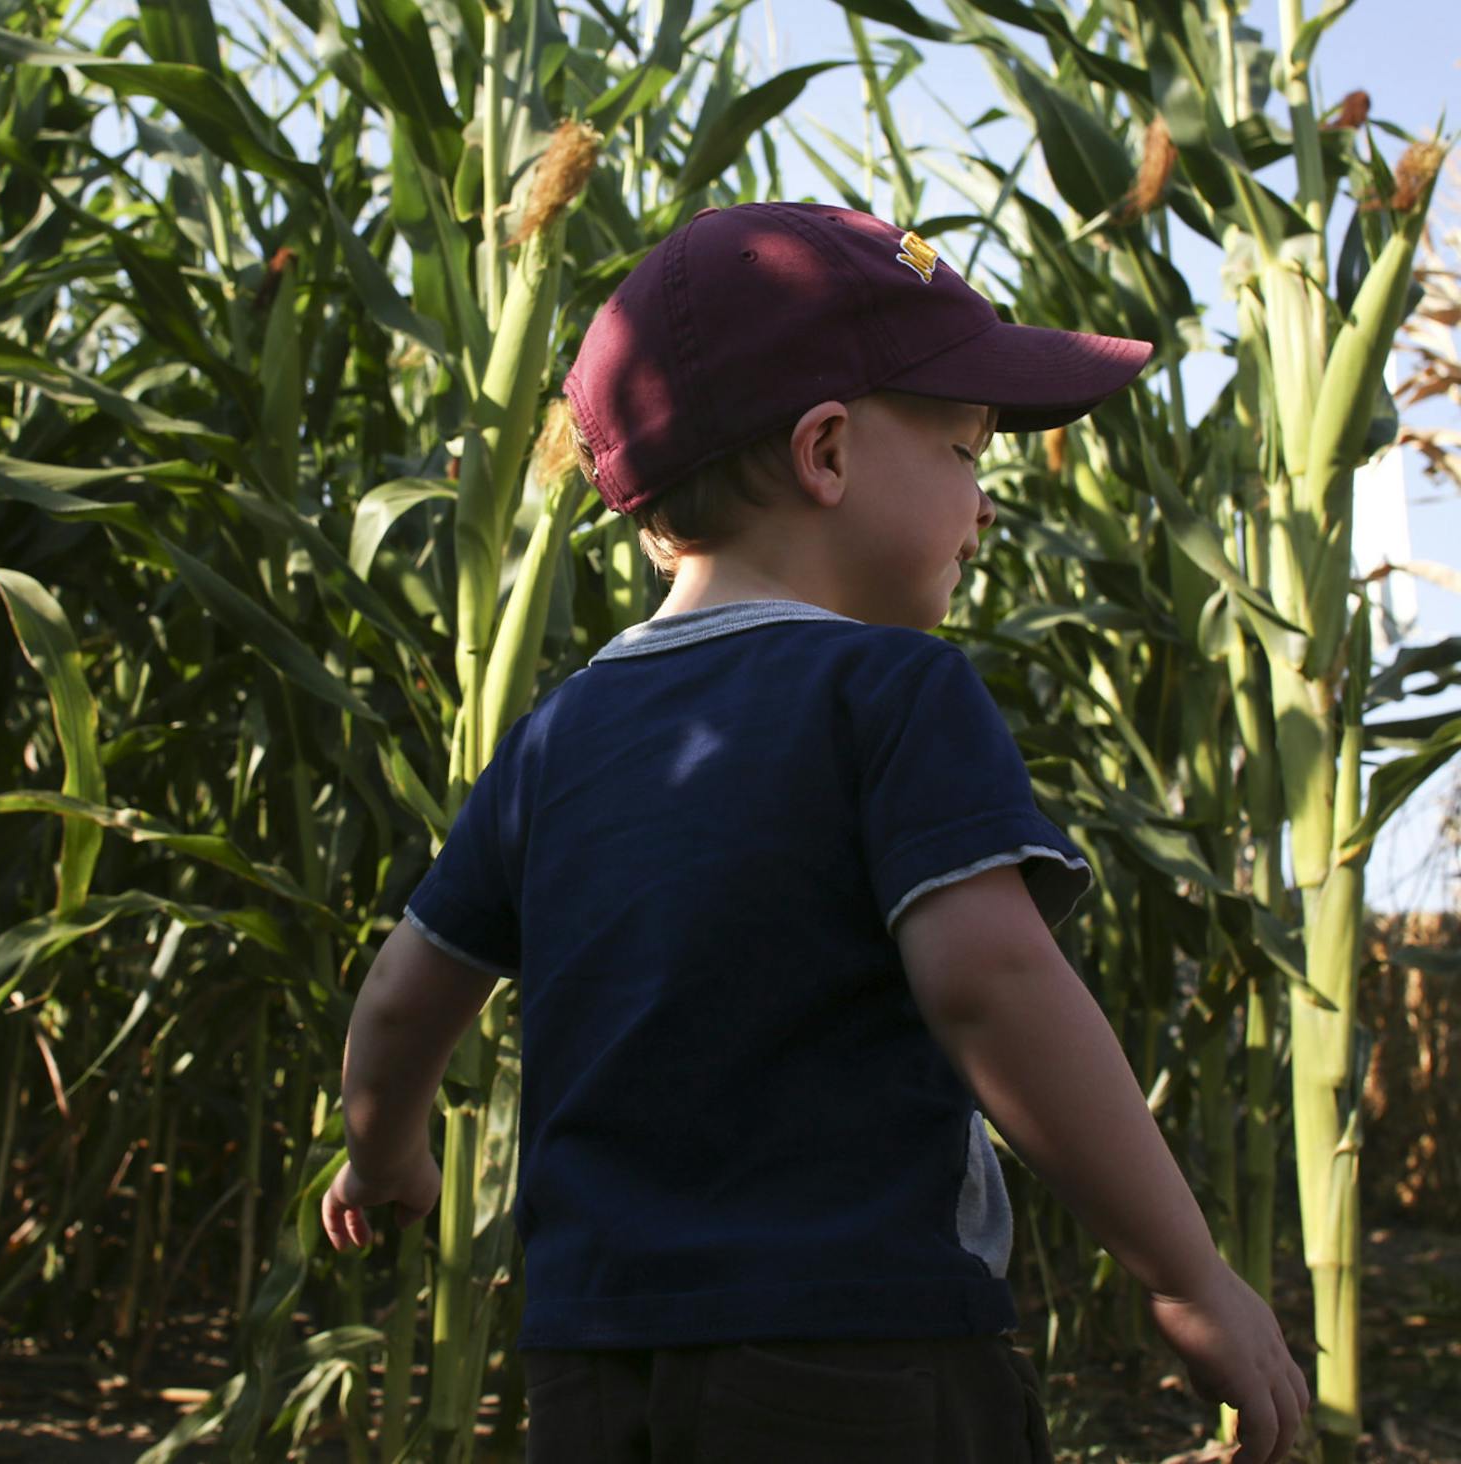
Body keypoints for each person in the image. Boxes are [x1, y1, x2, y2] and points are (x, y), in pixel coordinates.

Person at [317, 202, 1311, 1463]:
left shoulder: (558, 738)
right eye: (963, 451)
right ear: (826, 452)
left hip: (588, 1368)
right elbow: (993, 981)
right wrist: (1184, 1275)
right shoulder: (893, 695)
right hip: (861, 1359)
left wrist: (385, 1151)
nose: (986, 504)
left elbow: (407, 994)